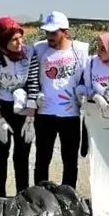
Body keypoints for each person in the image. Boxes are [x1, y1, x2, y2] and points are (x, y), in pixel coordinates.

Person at [0, 17, 41, 197]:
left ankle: (23, 197)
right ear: (1, 42)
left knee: (22, 157)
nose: (19, 42)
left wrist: (30, 118)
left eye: (20, 37)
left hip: (23, 109)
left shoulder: (30, 54)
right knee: (0, 156)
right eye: (14, 39)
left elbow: (33, 84)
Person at [32, 11, 90, 188]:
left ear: (65, 32)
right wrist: (35, 95)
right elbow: (32, 74)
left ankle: (68, 197)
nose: (49, 36)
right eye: (47, 32)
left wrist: (83, 94)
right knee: (42, 158)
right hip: (45, 113)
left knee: (70, 160)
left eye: (54, 33)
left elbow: (87, 76)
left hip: (70, 114)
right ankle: (40, 195)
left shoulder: (80, 49)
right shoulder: (39, 48)